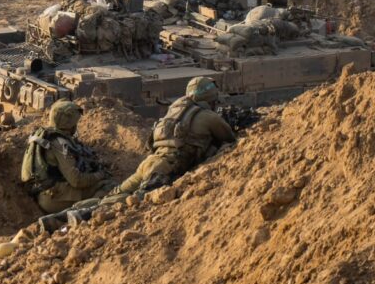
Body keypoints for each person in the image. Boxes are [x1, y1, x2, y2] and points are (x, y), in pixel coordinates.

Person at [38, 76, 235, 231]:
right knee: (128, 201)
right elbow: (229, 137)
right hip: (165, 168)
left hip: (148, 163)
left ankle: (62, 216)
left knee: (115, 194)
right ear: (210, 97)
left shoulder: (174, 111)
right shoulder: (208, 117)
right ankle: (83, 216)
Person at [20, 100, 114, 213]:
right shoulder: (59, 143)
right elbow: (76, 180)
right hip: (54, 198)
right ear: (68, 123)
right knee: (109, 186)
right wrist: (100, 175)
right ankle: (85, 213)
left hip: (45, 193)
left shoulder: (44, 136)